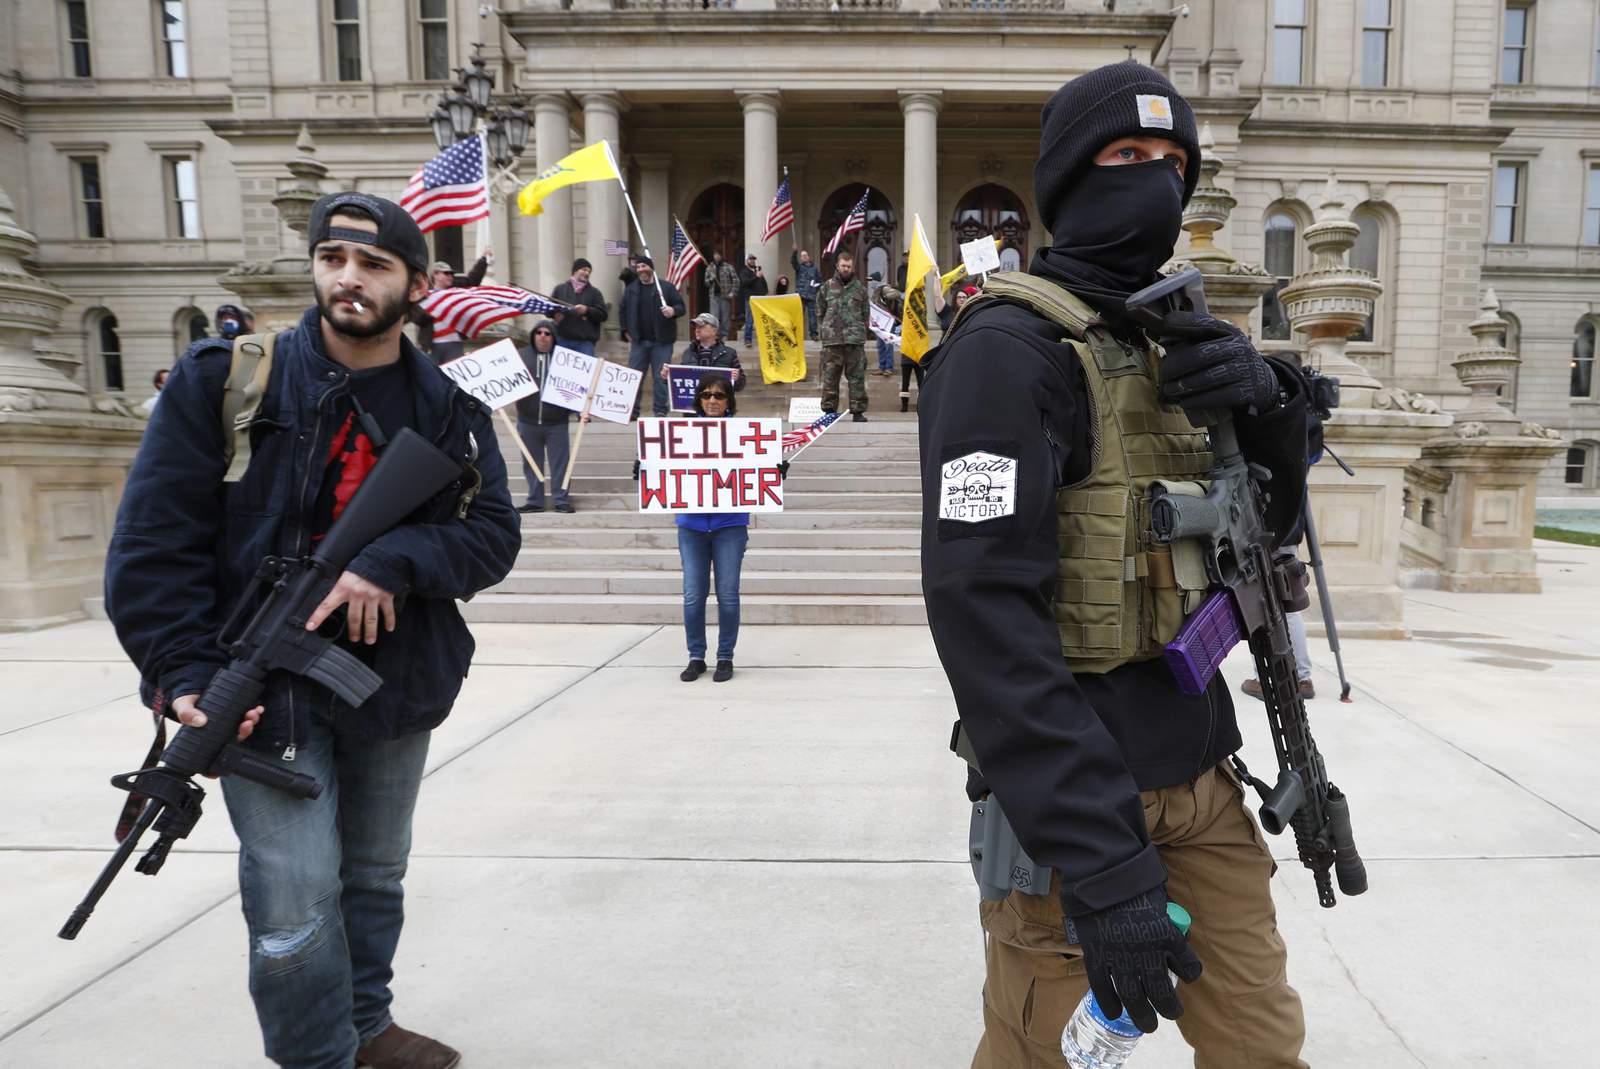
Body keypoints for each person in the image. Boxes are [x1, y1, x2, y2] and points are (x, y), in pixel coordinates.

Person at [918, 62, 1314, 1068]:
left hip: (1200, 771)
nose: (1155, 181)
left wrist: (1268, 419)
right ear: (1066, 180)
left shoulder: (1174, 339)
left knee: (1262, 1044)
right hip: (1072, 801)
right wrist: (1101, 862)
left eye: (1174, 161)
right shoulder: (1006, 351)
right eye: (1127, 155)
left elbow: (1258, 545)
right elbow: (981, 616)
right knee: (1044, 1054)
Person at [104, 190, 521, 1069]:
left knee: (373, 876)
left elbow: (492, 537)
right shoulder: (228, 378)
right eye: (333, 258)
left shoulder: (446, 405)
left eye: (374, 265)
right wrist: (181, 674)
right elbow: (151, 544)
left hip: (393, 683)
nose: (348, 278)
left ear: (416, 283)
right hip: (258, 689)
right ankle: (317, 1056)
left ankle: (365, 1026)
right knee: (293, 903)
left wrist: (395, 559)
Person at [675, 377, 749, 685]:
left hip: (729, 524)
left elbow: (756, 474)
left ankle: (725, 657)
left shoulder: (743, 434)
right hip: (691, 525)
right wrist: (647, 467)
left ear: (729, 401)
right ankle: (696, 656)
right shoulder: (680, 435)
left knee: (728, 595)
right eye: (705, 395)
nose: (712, 400)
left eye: (719, 395)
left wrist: (775, 470)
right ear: (698, 401)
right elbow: (668, 468)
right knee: (694, 596)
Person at [517, 319, 588, 514]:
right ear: (533, 335)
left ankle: (561, 499)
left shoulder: (565, 361)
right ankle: (535, 499)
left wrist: (580, 410)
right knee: (531, 464)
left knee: (561, 464)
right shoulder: (520, 357)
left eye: (547, 333)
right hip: (527, 422)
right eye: (538, 332)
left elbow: (576, 389)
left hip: (556, 423)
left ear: (553, 337)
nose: (542, 336)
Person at [620, 254, 687, 417]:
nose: (641, 270)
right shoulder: (631, 290)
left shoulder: (666, 288)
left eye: (644, 266)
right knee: (635, 378)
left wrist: (673, 311)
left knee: (660, 378)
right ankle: (633, 411)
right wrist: (625, 331)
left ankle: (660, 410)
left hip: (662, 342)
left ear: (651, 268)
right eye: (638, 267)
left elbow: (681, 306)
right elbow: (622, 311)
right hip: (639, 342)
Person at [816, 249, 870, 422]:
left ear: (852, 267)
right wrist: (825, 330)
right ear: (837, 266)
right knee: (830, 376)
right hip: (832, 340)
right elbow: (820, 311)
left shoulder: (860, 290)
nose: (846, 268)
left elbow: (865, 313)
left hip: (854, 340)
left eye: (848, 266)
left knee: (857, 377)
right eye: (843, 266)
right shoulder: (826, 287)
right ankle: (829, 411)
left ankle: (858, 411)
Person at [410, 253, 490, 361]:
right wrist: (432, 310)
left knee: (453, 377)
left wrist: (484, 260)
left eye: (452, 274)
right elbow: (417, 319)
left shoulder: (455, 290)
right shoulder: (424, 294)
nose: (450, 276)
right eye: (446, 273)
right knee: (433, 376)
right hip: (431, 346)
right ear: (435, 274)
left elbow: (473, 280)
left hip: (454, 343)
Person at [667, 312, 745, 396]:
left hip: (719, 404)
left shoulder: (729, 353)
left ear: (714, 331)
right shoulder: (688, 353)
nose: (697, 330)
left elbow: (740, 384)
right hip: (694, 405)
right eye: (696, 326)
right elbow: (681, 380)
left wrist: (737, 378)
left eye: (701, 326)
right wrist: (668, 376)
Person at [550, 257, 608, 357]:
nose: (587, 273)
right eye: (584, 270)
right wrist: (554, 314)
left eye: (589, 271)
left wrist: (587, 310)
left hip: (585, 343)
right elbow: (549, 308)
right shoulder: (560, 289)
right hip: (563, 340)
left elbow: (603, 315)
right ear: (575, 271)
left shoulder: (595, 293)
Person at [704, 249, 739, 338]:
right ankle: (715, 335)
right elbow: (706, 283)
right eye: (715, 255)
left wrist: (733, 292)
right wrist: (711, 279)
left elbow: (736, 280)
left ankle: (725, 336)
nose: (716, 256)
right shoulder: (710, 268)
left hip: (725, 296)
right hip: (713, 296)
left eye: (718, 255)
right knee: (714, 317)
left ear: (721, 256)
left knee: (725, 317)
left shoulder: (728, 267)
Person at [791, 247, 822, 340]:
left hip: (811, 295)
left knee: (812, 316)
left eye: (805, 255)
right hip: (800, 295)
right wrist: (794, 252)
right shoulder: (799, 268)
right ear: (801, 258)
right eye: (802, 256)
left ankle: (814, 334)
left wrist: (815, 287)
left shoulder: (815, 269)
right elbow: (793, 262)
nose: (804, 257)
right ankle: (797, 334)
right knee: (799, 316)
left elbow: (820, 281)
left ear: (808, 257)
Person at [869, 272, 896, 377]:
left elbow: (895, 294)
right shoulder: (875, 291)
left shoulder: (883, 288)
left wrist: (886, 295)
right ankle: (882, 367)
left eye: (871, 280)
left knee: (888, 345)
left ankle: (889, 368)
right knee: (880, 345)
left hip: (888, 322)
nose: (870, 282)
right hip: (879, 323)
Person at [738, 254, 767, 347]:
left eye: (754, 259)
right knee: (749, 320)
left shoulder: (757, 270)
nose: (753, 261)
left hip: (760, 298)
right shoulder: (744, 272)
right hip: (750, 298)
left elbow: (763, 282)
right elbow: (745, 283)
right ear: (747, 261)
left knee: (762, 319)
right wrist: (756, 276)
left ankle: (763, 338)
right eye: (751, 259)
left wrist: (765, 291)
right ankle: (748, 339)